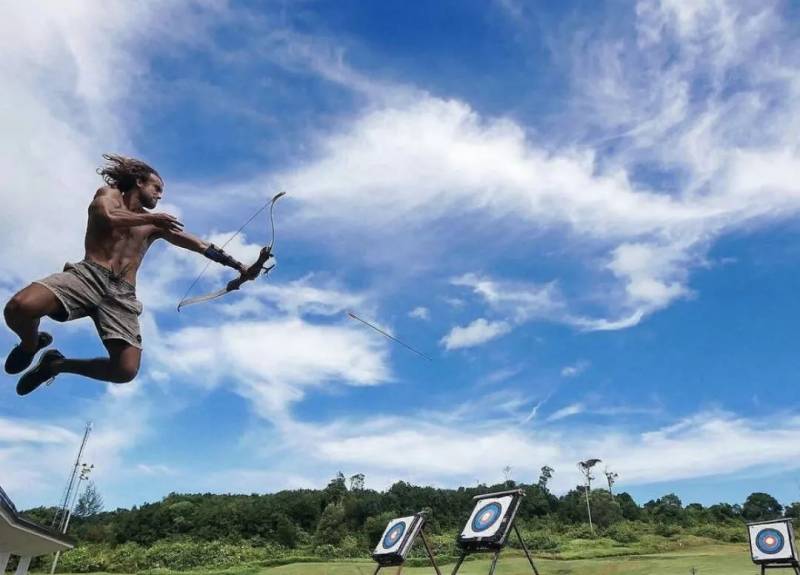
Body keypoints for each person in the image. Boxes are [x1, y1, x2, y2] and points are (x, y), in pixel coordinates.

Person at [3, 154, 249, 396]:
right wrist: (150, 218)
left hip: (122, 294)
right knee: (18, 307)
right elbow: (107, 216)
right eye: (156, 188)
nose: (160, 195)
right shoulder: (109, 196)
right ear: (139, 182)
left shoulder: (155, 224)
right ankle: (30, 344)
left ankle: (55, 365)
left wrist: (238, 266)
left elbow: (199, 244)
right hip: (88, 276)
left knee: (124, 370)